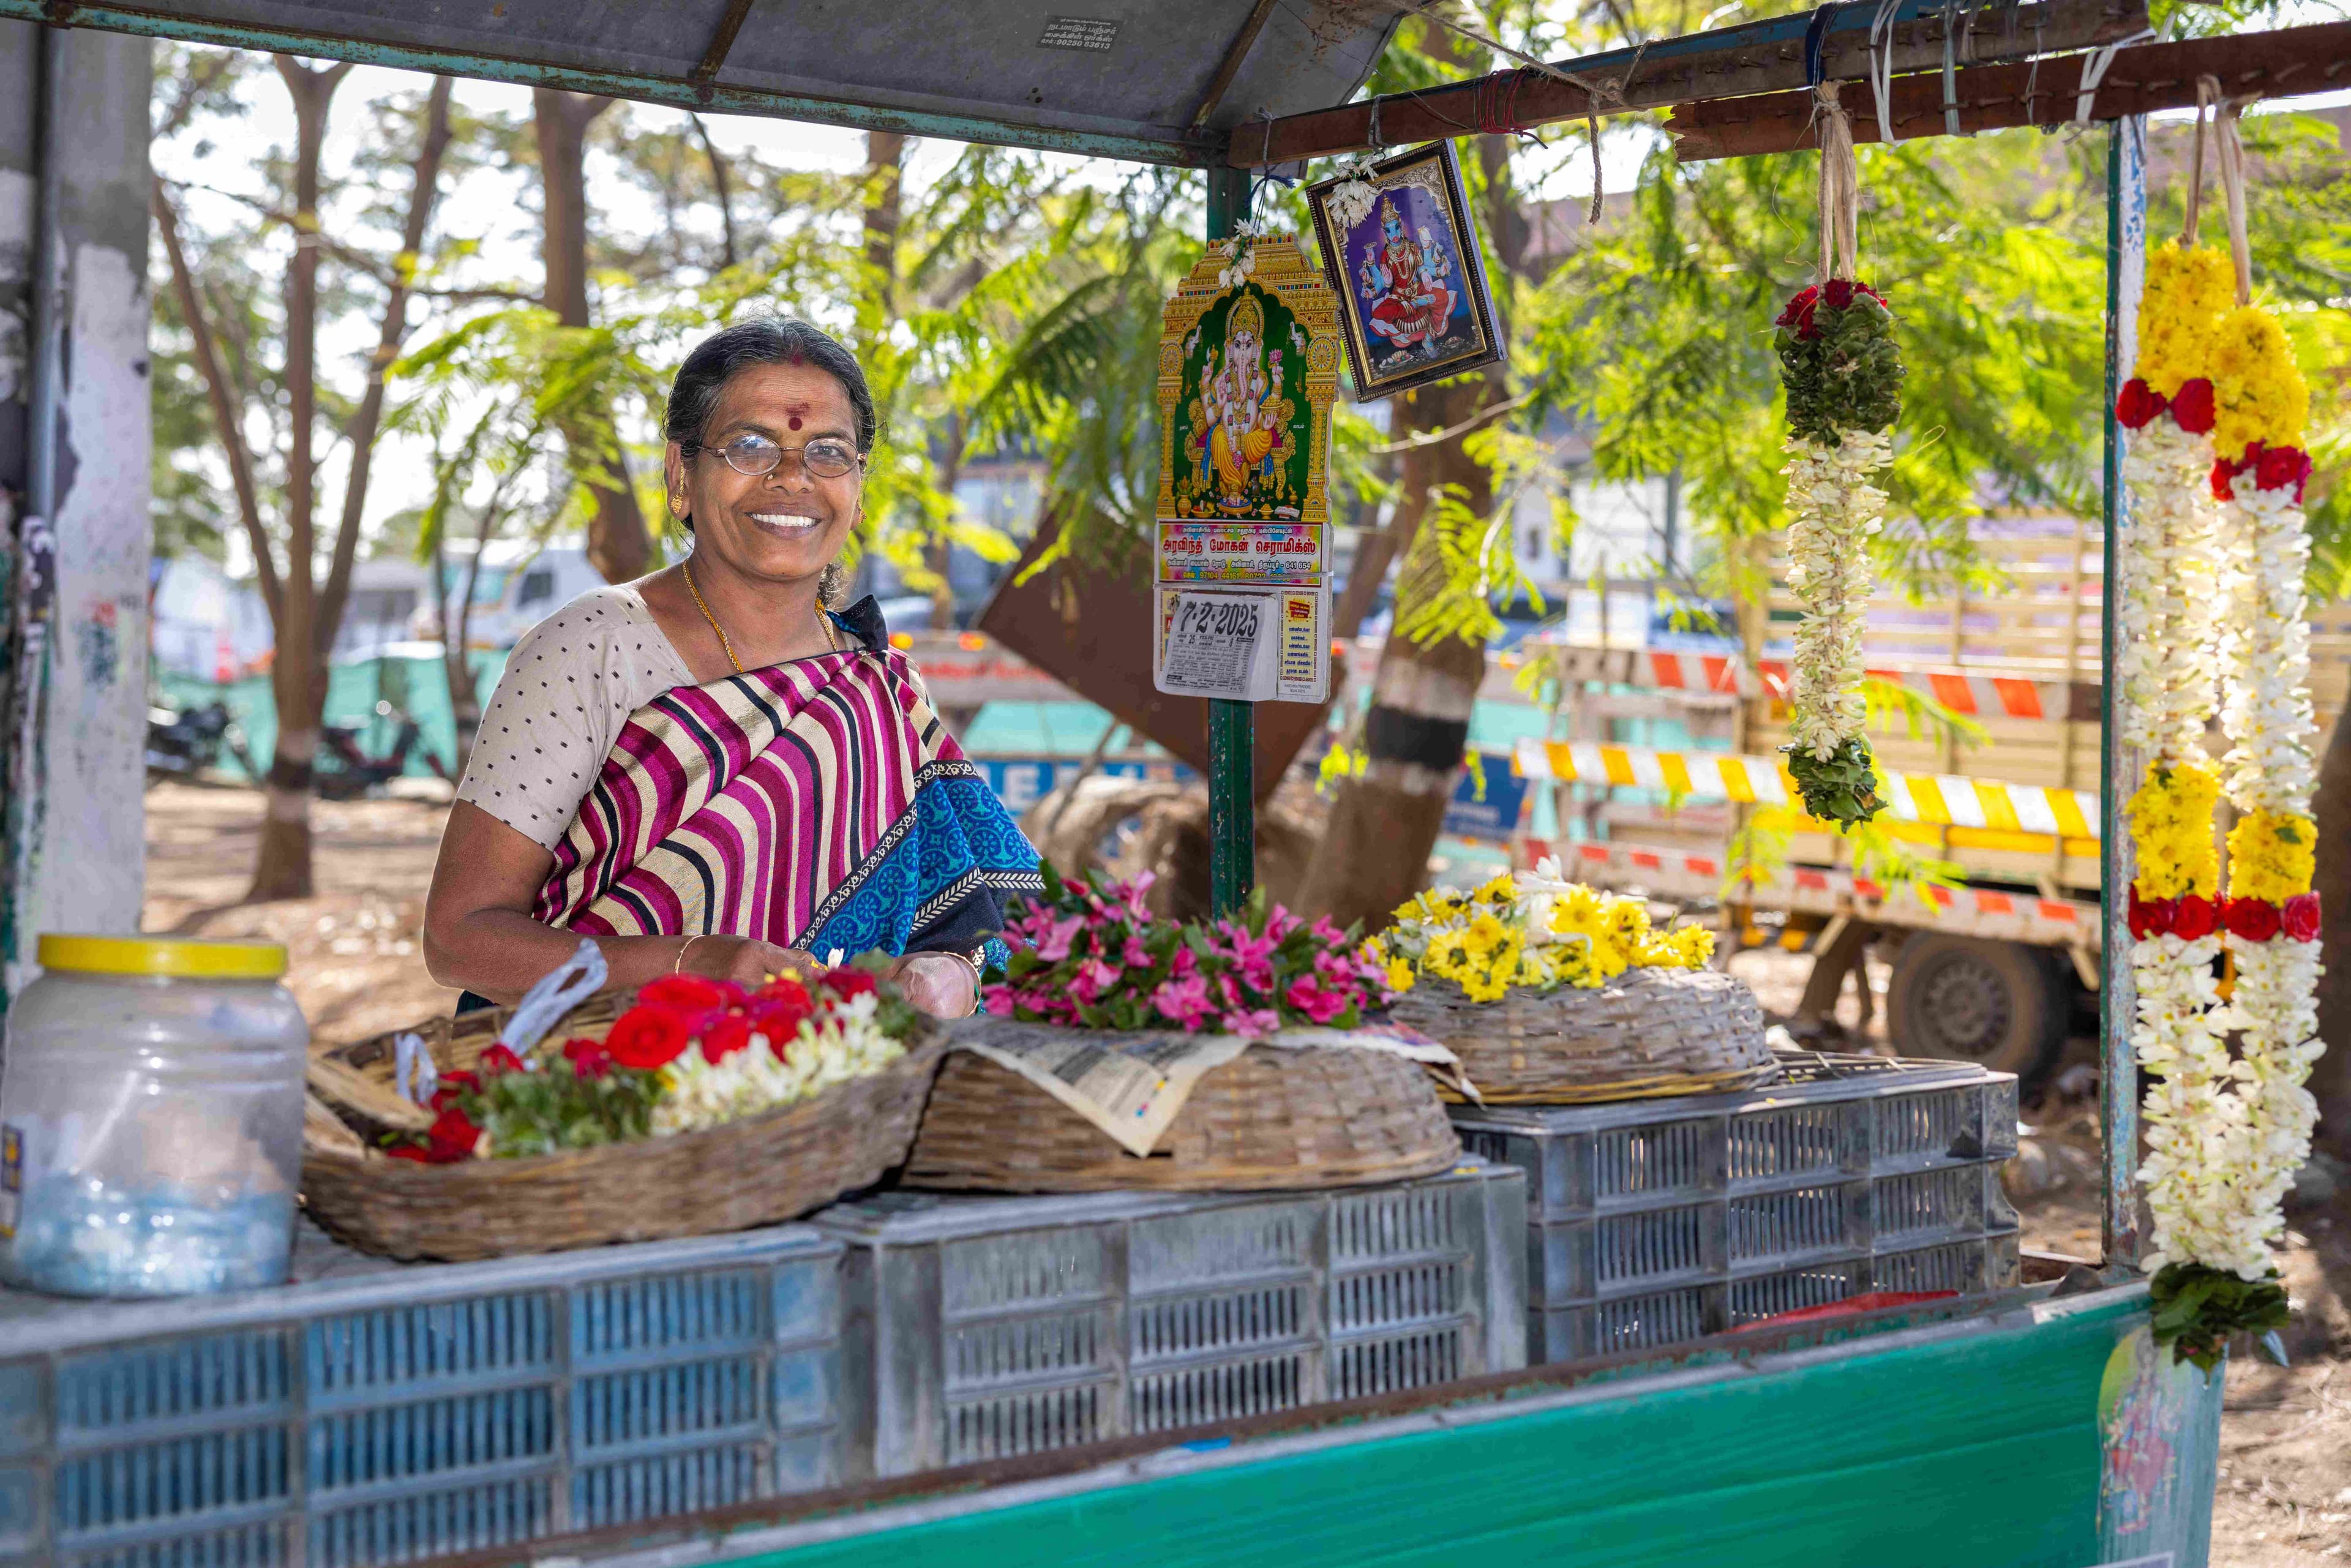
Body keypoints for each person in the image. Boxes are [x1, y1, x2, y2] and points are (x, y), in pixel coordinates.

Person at [422, 317, 1040, 1020]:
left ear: (859, 490)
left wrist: (945, 972)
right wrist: (685, 963)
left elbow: (969, 919)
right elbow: (459, 939)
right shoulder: (591, 647)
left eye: (828, 451)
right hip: (604, 1093)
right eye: (751, 446)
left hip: (827, 1107)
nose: (792, 478)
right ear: (681, 475)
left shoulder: (878, 689)